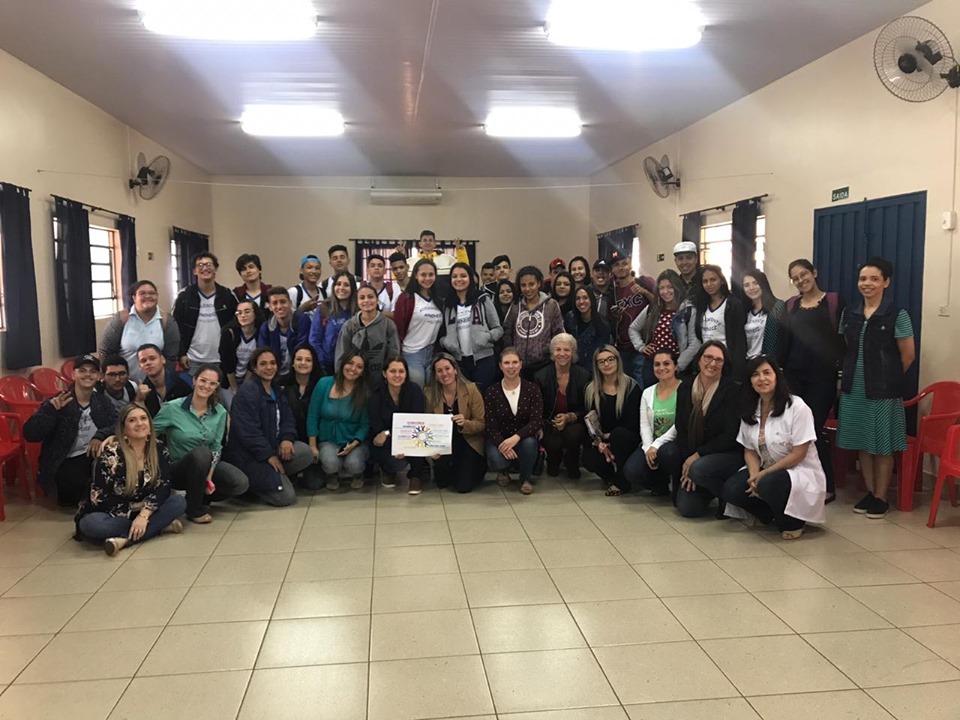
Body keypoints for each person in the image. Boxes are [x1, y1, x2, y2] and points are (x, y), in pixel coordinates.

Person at [836, 258, 915, 519]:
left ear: (886, 282)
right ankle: (870, 492)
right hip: (854, 388)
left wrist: (887, 378)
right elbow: (845, 348)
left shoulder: (897, 314)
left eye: (874, 279)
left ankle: (881, 497)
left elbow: (908, 355)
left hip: (883, 391)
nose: (867, 283)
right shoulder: (850, 313)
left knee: (882, 444)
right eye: (863, 279)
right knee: (863, 441)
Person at [722, 356, 827, 539]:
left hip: (796, 470)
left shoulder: (797, 407)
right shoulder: (750, 408)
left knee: (768, 484)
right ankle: (768, 514)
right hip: (765, 469)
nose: (762, 378)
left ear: (777, 376)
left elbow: (799, 453)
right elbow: (749, 450)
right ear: (750, 381)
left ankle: (793, 521)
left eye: (767, 373)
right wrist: (754, 474)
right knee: (731, 489)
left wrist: (764, 474)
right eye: (755, 374)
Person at [75, 403, 186, 556]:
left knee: (179, 502)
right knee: (92, 524)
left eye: (143, 418)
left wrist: (144, 514)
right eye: (132, 420)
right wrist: (136, 509)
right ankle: (158, 527)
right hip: (112, 513)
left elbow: (164, 486)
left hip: (147, 510)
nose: (139, 423)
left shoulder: (159, 449)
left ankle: (124, 540)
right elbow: (100, 499)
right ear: (123, 428)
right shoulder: (110, 455)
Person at [779, 258, 845, 501]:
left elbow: (843, 339)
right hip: (793, 376)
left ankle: (827, 485)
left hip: (822, 377)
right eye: (795, 278)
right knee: (793, 430)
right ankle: (798, 482)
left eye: (803, 274)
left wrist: (842, 372)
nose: (800, 280)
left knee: (813, 430)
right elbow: (785, 341)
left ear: (814, 273)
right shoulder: (790, 306)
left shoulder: (834, 302)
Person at [153, 364, 249, 523]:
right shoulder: (172, 408)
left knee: (239, 483)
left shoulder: (220, 412)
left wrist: (209, 475)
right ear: (194, 380)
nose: (206, 386)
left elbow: (216, 447)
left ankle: (199, 497)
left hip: (206, 466)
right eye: (203, 380)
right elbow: (148, 433)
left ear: (217, 387)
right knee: (202, 452)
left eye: (212, 383)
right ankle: (194, 510)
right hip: (178, 468)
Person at [658, 341, 743, 518]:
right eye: (708, 357)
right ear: (699, 360)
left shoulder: (733, 390)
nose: (712, 363)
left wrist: (697, 457)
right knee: (688, 509)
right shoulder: (685, 386)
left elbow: (729, 435)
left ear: (724, 364)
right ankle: (691, 482)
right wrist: (688, 460)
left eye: (718, 360)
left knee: (698, 470)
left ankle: (725, 497)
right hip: (694, 454)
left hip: (724, 454)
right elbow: (681, 428)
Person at [224, 347, 314, 506]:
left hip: (272, 446)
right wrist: (268, 456)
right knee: (286, 498)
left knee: (305, 452)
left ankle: (275, 476)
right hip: (249, 457)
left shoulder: (276, 389)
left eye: (272, 363)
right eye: (263, 364)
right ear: (254, 368)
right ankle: (252, 486)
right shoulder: (247, 392)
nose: (269, 367)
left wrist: (287, 438)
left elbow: (287, 418)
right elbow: (249, 433)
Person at [24, 354, 117, 506]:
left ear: (99, 376)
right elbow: (30, 434)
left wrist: (100, 436)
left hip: (93, 456)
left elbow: (117, 424)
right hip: (64, 459)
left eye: (92, 371)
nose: (87, 374)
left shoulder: (102, 401)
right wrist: (50, 411)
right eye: (82, 370)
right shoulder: (59, 400)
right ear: (73, 374)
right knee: (75, 494)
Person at [580, 345, 641, 495]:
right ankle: (611, 477)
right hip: (602, 439)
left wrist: (609, 438)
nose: (606, 364)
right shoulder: (590, 390)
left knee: (619, 435)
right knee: (589, 459)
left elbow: (633, 424)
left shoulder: (632, 387)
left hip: (626, 439)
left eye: (610, 359)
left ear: (618, 361)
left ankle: (622, 482)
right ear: (596, 366)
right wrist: (600, 443)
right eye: (601, 361)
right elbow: (589, 422)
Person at [307, 351, 371, 490]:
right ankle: (332, 474)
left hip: (354, 441)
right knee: (331, 464)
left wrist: (354, 443)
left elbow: (365, 424)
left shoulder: (364, 391)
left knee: (354, 464)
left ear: (363, 372)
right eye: (350, 363)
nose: (353, 368)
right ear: (342, 364)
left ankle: (358, 474)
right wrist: (312, 445)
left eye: (359, 366)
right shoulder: (324, 383)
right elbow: (312, 415)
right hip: (328, 440)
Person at [484, 347, 543, 494]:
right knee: (496, 460)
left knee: (530, 444)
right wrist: (502, 444)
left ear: (521, 364)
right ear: (500, 366)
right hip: (500, 438)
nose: (511, 367)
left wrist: (516, 438)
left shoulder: (532, 389)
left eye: (515, 362)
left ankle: (525, 478)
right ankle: (503, 470)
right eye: (507, 363)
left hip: (523, 438)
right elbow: (490, 425)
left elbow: (536, 422)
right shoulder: (491, 392)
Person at [425, 353, 488, 493]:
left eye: (447, 368)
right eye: (439, 371)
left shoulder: (471, 390)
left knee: (462, 487)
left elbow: (481, 423)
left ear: (455, 370)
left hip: (468, 441)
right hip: (443, 444)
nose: (444, 373)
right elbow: (426, 425)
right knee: (443, 483)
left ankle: (476, 468)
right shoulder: (429, 394)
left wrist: (465, 423)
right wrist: (430, 450)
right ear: (435, 376)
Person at [623, 350, 682, 496]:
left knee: (667, 453)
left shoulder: (685, 389)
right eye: (657, 364)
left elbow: (680, 423)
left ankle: (677, 483)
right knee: (632, 471)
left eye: (666, 364)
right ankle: (660, 484)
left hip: (675, 444)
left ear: (675, 366)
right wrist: (648, 447)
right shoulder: (647, 392)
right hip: (653, 443)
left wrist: (657, 445)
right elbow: (644, 425)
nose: (661, 368)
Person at [368, 356, 430, 493]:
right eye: (393, 371)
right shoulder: (376, 395)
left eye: (401, 371)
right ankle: (388, 470)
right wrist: (390, 436)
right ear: (384, 373)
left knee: (420, 438)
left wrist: (402, 443)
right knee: (385, 450)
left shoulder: (414, 390)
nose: (397, 375)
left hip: (410, 435)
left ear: (406, 374)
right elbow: (377, 428)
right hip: (385, 438)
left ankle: (415, 476)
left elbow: (418, 421)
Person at [534, 333, 590, 478]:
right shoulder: (540, 376)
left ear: (573, 353)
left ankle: (572, 459)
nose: (562, 354)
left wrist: (570, 417)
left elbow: (588, 408)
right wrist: (547, 422)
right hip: (549, 422)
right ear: (552, 352)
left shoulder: (585, 376)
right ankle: (554, 459)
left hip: (575, 421)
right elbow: (537, 408)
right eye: (558, 349)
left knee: (574, 434)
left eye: (567, 350)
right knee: (553, 445)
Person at [99, 280, 179, 381]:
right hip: (124, 383)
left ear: (157, 296)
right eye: (142, 293)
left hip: (156, 383)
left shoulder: (167, 321)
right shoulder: (121, 319)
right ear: (134, 297)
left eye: (152, 293)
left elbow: (171, 357)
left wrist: (165, 381)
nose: (148, 296)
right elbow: (105, 351)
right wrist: (110, 378)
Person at [440, 262, 503, 391]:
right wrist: (446, 342)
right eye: (455, 276)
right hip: (458, 361)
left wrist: (486, 337)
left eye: (463, 276)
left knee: (482, 396)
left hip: (483, 359)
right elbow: (442, 333)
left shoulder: (482, 299)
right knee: (463, 397)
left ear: (470, 278)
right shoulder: (447, 304)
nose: (459, 279)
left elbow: (498, 328)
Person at [172, 252, 238, 374]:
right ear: (194, 271)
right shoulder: (184, 296)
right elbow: (176, 326)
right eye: (200, 265)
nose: (205, 268)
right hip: (192, 360)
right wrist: (181, 353)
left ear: (215, 269)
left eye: (209, 265)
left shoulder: (227, 295)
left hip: (222, 359)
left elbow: (237, 324)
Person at [677, 265, 747, 379]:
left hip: (726, 363)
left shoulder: (733, 304)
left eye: (713, 280)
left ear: (721, 281)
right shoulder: (701, 305)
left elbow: (739, 341)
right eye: (705, 281)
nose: (709, 284)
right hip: (705, 361)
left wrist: (737, 374)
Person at [503, 265, 564, 378]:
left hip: (544, 365)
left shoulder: (551, 305)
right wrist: (512, 354)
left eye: (531, 284)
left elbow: (559, 333)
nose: (527, 289)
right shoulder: (515, 305)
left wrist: (548, 353)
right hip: (519, 366)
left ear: (539, 283)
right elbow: (507, 331)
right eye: (523, 285)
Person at [279, 345, 326, 490]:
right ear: (293, 363)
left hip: (316, 439)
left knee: (314, 484)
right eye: (299, 359)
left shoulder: (322, 384)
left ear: (314, 363)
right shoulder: (280, 384)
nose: (303, 363)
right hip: (290, 439)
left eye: (308, 360)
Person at [628, 270, 684, 388]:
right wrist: (640, 346)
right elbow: (633, 328)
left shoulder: (685, 310)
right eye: (661, 288)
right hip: (653, 365)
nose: (665, 291)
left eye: (670, 287)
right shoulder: (653, 309)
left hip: (678, 365)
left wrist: (682, 363)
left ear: (677, 287)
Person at [394, 258, 444, 387]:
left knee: (434, 392)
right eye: (423, 274)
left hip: (432, 353)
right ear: (416, 275)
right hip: (412, 353)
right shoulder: (406, 298)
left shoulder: (438, 300)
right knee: (417, 389)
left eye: (431, 274)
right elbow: (398, 328)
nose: (427, 278)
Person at [334, 284, 401, 379]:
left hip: (379, 378)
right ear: (357, 301)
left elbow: (393, 354)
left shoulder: (388, 325)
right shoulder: (349, 325)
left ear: (377, 300)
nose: (366, 300)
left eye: (370, 297)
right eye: (362, 298)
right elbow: (341, 354)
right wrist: (339, 378)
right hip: (353, 378)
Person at [610, 250, 656, 384]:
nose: (621, 268)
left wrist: (645, 292)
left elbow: (661, 303)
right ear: (612, 269)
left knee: (642, 383)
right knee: (626, 385)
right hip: (623, 348)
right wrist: (615, 316)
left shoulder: (644, 282)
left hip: (643, 345)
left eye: (624, 263)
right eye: (616, 265)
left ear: (630, 263)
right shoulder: (612, 291)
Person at [311, 270, 359, 375]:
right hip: (326, 367)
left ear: (352, 288)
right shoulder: (324, 308)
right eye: (338, 284)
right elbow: (314, 339)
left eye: (346, 285)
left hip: (351, 367)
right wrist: (321, 362)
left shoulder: (358, 311)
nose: (341, 288)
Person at [258, 287, 311, 376]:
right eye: (275, 303)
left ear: (290, 303)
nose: (279, 306)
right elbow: (262, 354)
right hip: (273, 373)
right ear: (270, 307)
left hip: (297, 372)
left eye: (283, 302)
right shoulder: (266, 327)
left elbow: (301, 349)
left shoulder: (301, 320)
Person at [564, 285, 612, 371]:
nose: (581, 301)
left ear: (591, 300)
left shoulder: (603, 324)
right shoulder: (569, 318)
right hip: (572, 366)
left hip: (593, 367)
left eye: (585, 298)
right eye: (578, 298)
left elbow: (599, 352)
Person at [219, 299, 263, 392]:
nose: (242, 315)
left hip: (251, 379)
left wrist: (244, 387)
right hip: (229, 380)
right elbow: (227, 364)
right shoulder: (229, 333)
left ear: (255, 313)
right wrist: (234, 389)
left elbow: (254, 362)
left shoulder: (261, 333)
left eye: (247, 312)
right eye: (239, 313)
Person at [137, 344, 192, 417]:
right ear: (140, 367)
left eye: (152, 358)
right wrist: (139, 400)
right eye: (143, 361)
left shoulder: (183, 379)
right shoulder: (142, 391)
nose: (148, 363)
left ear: (163, 359)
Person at [743, 269, 786, 359]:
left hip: (769, 362)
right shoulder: (745, 312)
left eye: (755, 283)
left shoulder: (777, 307)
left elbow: (784, 338)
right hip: (748, 362)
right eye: (746, 285)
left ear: (763, 284)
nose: (751, 288)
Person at [289, 254, 325, 318]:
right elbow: (287, 318)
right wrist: (302, 309)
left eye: (317, 268)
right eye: (309, 267)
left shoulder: (324, 293)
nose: (314, 271)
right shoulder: (294, 292)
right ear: (301, 270)